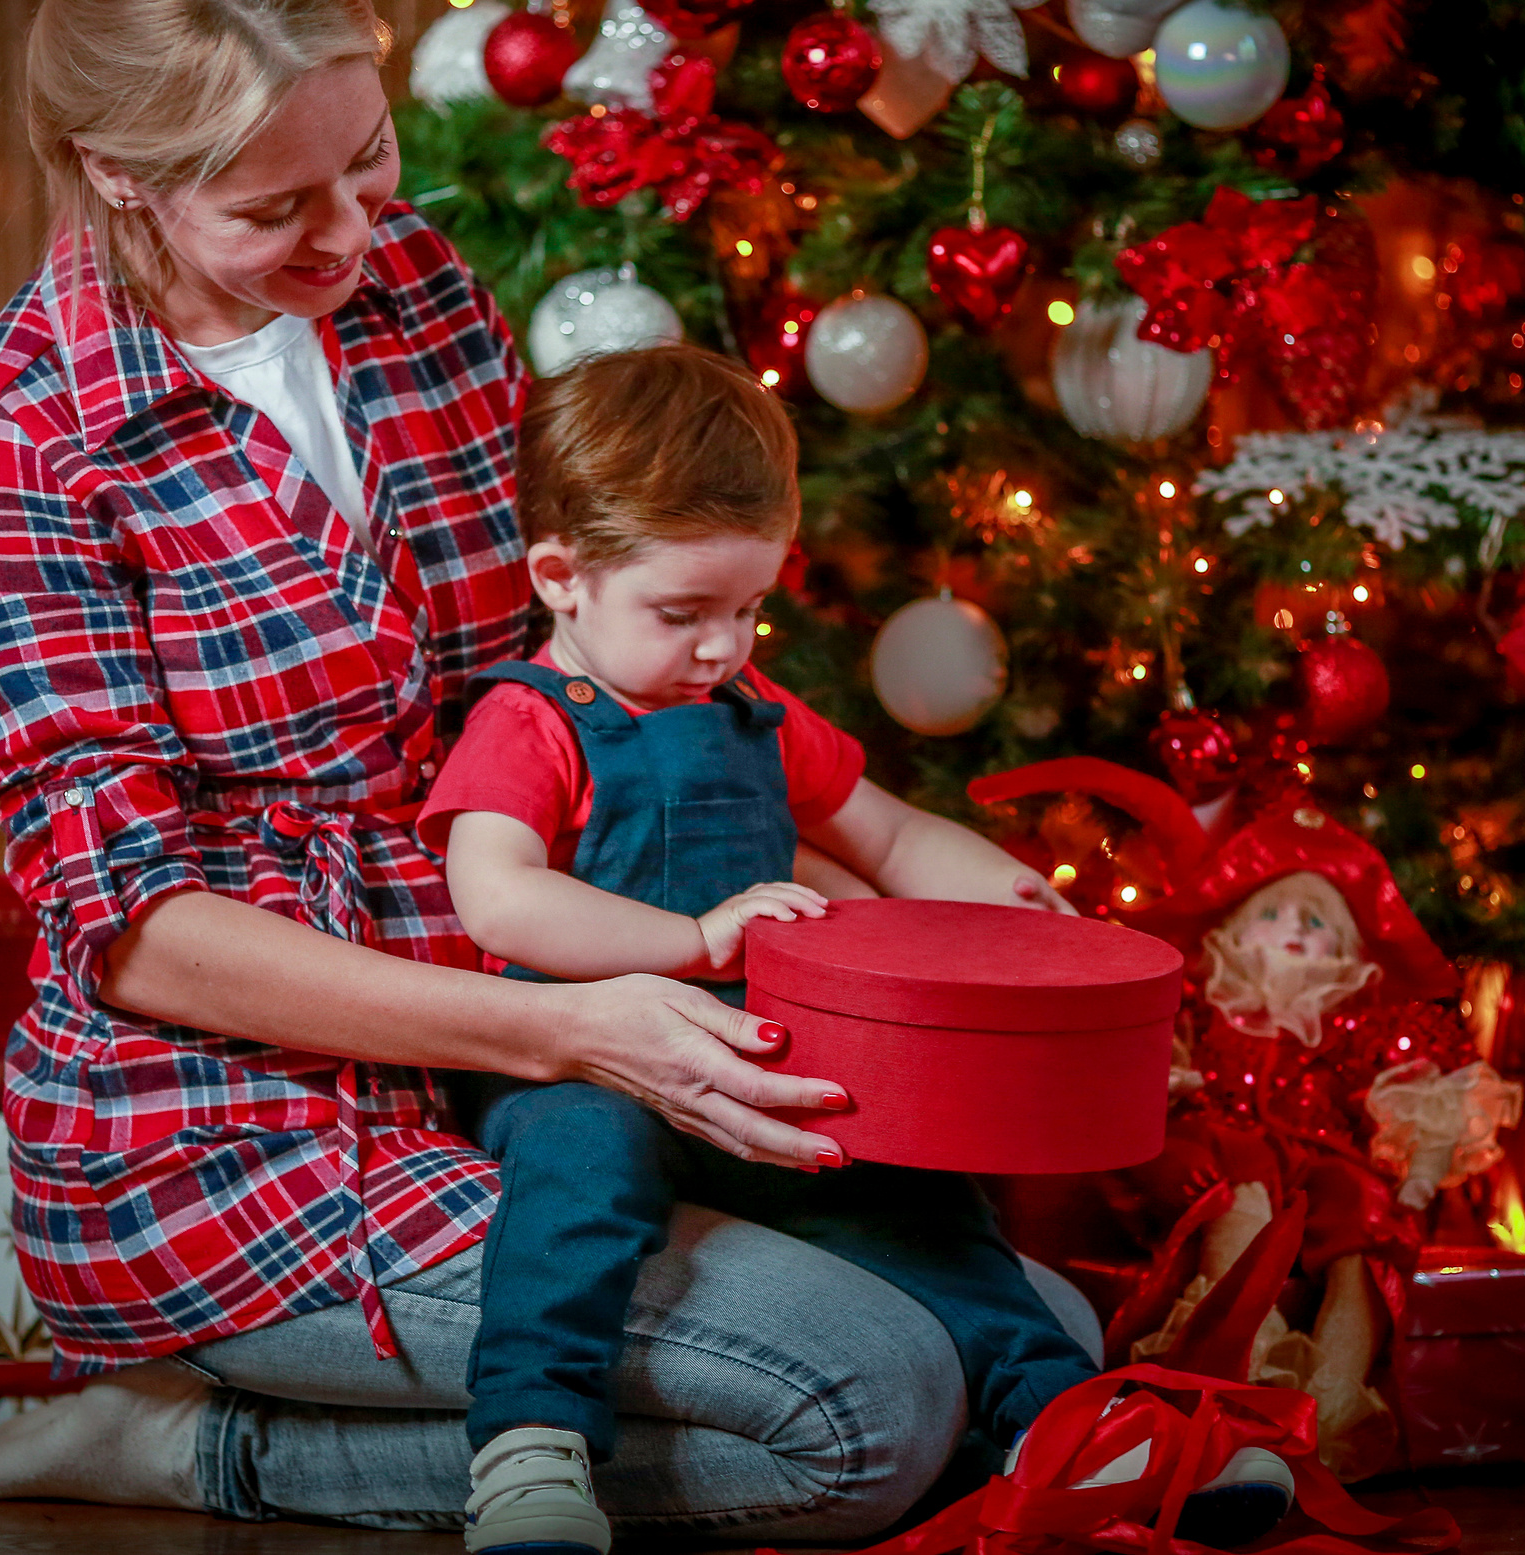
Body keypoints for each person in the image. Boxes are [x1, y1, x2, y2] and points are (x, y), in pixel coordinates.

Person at [0, 0, 1101, 1539]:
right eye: (273, 207)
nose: (352, 234)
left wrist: (813, 897)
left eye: (367, 158)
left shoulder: (422, 299)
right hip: (249, 1130)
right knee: (877, 1404)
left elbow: (558, 689)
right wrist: (569, 1029)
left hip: (557, 1027)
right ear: (118, 175)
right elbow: (140, 932)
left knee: (1053, 1340)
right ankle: (185, 1441)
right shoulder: (10, 440)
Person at [416, 345, 1098, 1552]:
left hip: (762, 1054)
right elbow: (501, 901)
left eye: (747, 610)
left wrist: (1005, 900)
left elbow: (883, 832)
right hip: (579, 1060)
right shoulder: (530, 720)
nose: (723, 646)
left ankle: (1059, 1421)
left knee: (918, 1197)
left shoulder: (748, 711)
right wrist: (689, 939)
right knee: (575, 1194)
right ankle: (531, 1448)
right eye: (683, 614)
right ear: (562, 578)